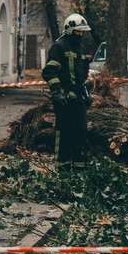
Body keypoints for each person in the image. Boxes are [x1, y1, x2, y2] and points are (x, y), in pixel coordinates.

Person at [42, 13, 93, 164]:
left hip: (79, 98)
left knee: (81, 132)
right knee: (64, 133)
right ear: (70, 30)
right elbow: (49, 72)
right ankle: (62, 164)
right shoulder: (59, 47)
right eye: (79, 31)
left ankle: (79, 165)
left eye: (83, 32)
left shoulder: (80, 48)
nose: (82, 34)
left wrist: (86, 92)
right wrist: (57, 92)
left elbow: (83, 74)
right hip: (64, 99)